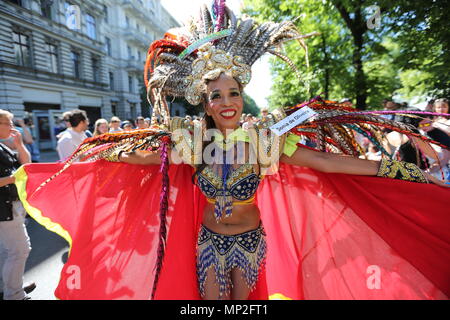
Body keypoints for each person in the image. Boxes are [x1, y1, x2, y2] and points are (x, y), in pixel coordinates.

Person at [13, 0, 449, 301]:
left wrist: (400, 171)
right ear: (205, 102)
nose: (227, 102)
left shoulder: (266, 141)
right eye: (217, 95)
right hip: (206, 240)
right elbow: (140, 158)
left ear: (243, 95)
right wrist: (89, 157)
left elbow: (328, 162)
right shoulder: (191, 142)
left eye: (234, 93)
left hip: (248, 239)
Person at [0, 109, 35, 300]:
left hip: (10, 205)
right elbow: (17, 175)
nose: (12, 127)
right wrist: (13, 179)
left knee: (8, 250)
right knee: (20, 250)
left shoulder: (3, 146)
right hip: (4, 207)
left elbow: (26, 164)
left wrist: (19, 145)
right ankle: (14, 293)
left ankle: (10, 287)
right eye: (8, 123)